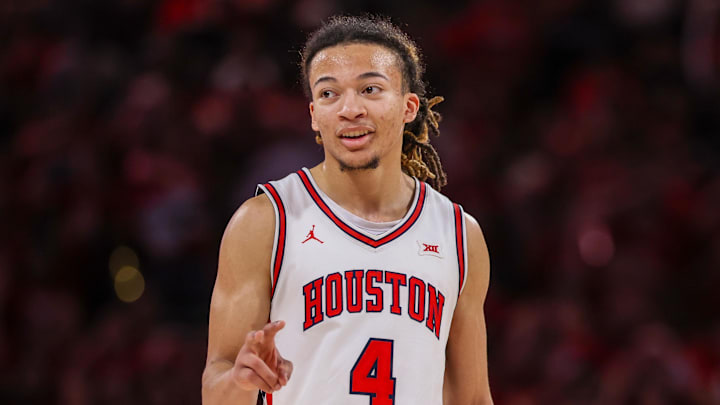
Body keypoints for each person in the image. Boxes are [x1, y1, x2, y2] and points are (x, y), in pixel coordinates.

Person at [202, 15, 493, 405]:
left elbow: (472, 398)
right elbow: (216, 388)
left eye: (370, 89)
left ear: (408, 107)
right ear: (313, 117)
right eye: (328, 94)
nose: (349, 109)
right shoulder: (266, 220)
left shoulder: (459, 235)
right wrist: (241, 379)